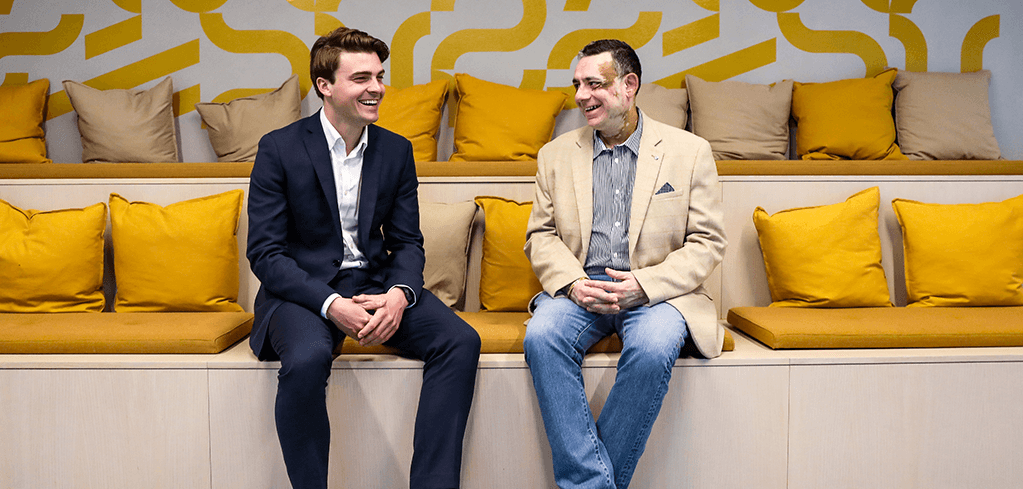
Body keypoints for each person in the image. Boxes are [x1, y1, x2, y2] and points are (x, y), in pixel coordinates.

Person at [246, 27, 481, 489]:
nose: (376, 87)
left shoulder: (396, 150)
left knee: (460, 341)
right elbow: (267, 254)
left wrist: (399, 295)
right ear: (325, 86)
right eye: (361, 78)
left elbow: (407, 242)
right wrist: (332, 306)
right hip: (300, 292)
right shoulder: (279, 148)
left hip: (374, 284)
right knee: (309, 356)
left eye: (379, 75)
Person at [522, 39, 727, 489]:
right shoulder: (554, 155)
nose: (581, 96)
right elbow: (541, 235)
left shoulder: (690, 151)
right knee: (541, 336)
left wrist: (645, 285)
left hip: (658, 292)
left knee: (655, 347)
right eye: (577, 84)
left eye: (594, 83)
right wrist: (574, 284)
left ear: (629, 85)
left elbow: (708, 242)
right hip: (583, 287)